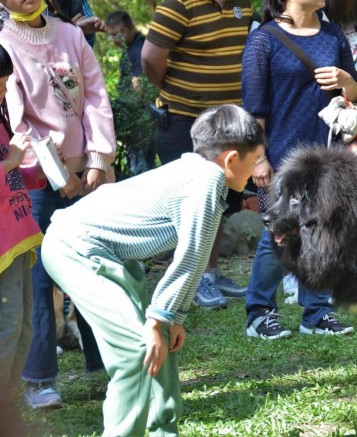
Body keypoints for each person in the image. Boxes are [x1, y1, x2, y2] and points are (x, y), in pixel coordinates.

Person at [41, 104, 267, 436]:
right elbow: (190, 259)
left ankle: (163, 429)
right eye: (255, 160)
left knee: (158, 337)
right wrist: (162, 316)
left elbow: (188, 261)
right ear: (231, 159)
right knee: (137, 349)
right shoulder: (206, 182)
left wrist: (169, 319)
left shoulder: (197, 170)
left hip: (109, 254)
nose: (256, 170)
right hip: (76, 247)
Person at [0, 0, 115, 409]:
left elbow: (97, 97)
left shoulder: (70, 34)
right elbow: (17, 121)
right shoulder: (4, 40)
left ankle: (107, 363)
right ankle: (39, 378)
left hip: (87, 173)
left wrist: (99, 159)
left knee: (96, 264)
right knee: (41, 278)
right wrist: (55, 171)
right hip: (36, 179)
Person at [241, 0, 357, 340]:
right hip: (282, 155)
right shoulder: (263, 40)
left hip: (327, 154)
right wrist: (259, 158)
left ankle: (317, 313)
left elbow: (356, 93)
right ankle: (260, 312)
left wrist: (346, 80)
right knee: (278, 234)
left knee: (321, 230)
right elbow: (254, 107)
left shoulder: (333, 35)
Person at [142, 0, 254, 308]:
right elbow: (151, 59)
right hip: (182, 120)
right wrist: (179, 90)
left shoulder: (244, 5)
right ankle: (190, 280)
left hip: (228, 121)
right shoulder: (178, 5)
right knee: (193, 202)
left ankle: (210, 273)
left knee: (219, 201)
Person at [0, 44, 46, 420]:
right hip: (2, 249)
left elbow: (12, 176)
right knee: (6, 328)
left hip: (19, 239)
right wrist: (11, 162)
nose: (2, 93)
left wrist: (37, 171)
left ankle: (8, 402)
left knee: (24, 328)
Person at [106, 10, 155, 175]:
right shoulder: (129, 48)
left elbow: (138, 85)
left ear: (132, 28)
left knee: (140, 168)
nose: (116, 39)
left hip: (141, 118)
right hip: (136, 118)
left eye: (120, 33)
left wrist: (130, 113)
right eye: (112, 35)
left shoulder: (139, 48)